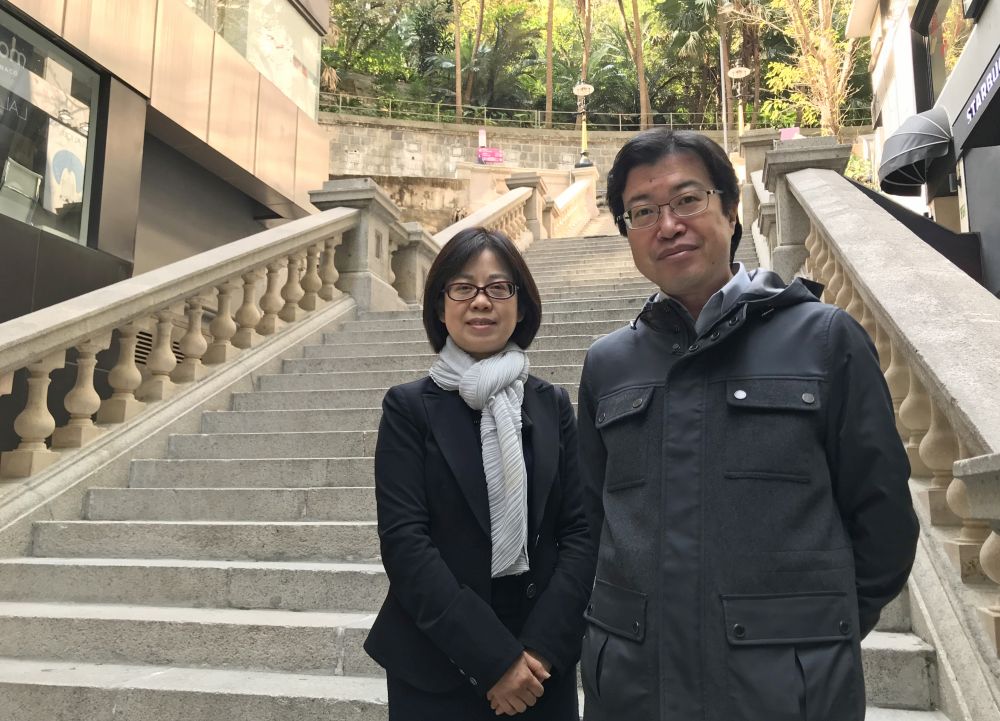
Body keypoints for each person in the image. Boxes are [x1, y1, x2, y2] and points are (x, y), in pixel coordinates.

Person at [577, 129, 919, 721]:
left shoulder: (823, 339)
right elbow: (588, 522)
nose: (668, 224)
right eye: (642, 212)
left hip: (785, 693)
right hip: (634, 690)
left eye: (688, 200)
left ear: (731, 211)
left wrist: (812, 637)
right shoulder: (608, 364)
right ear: (628, 234)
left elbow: (884, 522)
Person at [364, 227, 596, 720]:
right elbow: (406, 543)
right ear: (440, 305)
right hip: (437, 658)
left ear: (521, 303)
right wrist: (495, 662)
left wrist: (537, 653)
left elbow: (579, 532)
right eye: (463, 287)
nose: (481, 302)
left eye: (498, 287)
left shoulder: (551, 404)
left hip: (540, 663)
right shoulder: (409, 408)